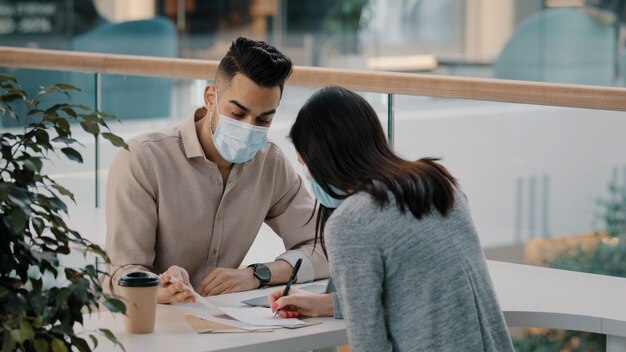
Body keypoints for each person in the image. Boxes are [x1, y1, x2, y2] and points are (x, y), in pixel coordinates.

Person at [269, 86, 514, 351]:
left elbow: (369, 343)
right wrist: (326, 305)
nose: (310, 177)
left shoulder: (351, 222)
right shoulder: (439, 182)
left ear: (326, 161)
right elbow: (418, 298)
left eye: (306, 167)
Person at [103, 37, 329, 304]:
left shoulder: (271, 163)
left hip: (224, 322)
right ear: (211, 97)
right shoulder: (143, 159)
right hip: (151, 321)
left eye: (263, 119)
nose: (249, 128)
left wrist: (258, 274)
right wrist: (160, 289)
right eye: (237, 113)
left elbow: (327, 247)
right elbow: (120, 274)